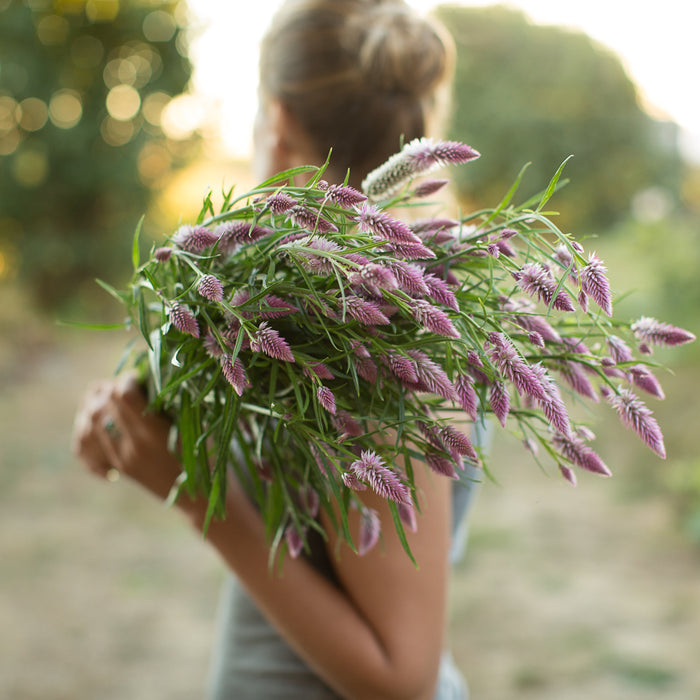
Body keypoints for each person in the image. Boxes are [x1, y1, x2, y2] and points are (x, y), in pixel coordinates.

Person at [72, 1, 481, 698]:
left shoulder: (372, 338)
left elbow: (401, 677)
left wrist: (204, 499)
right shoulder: (313, 310)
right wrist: (138, 421)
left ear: (279, 124)